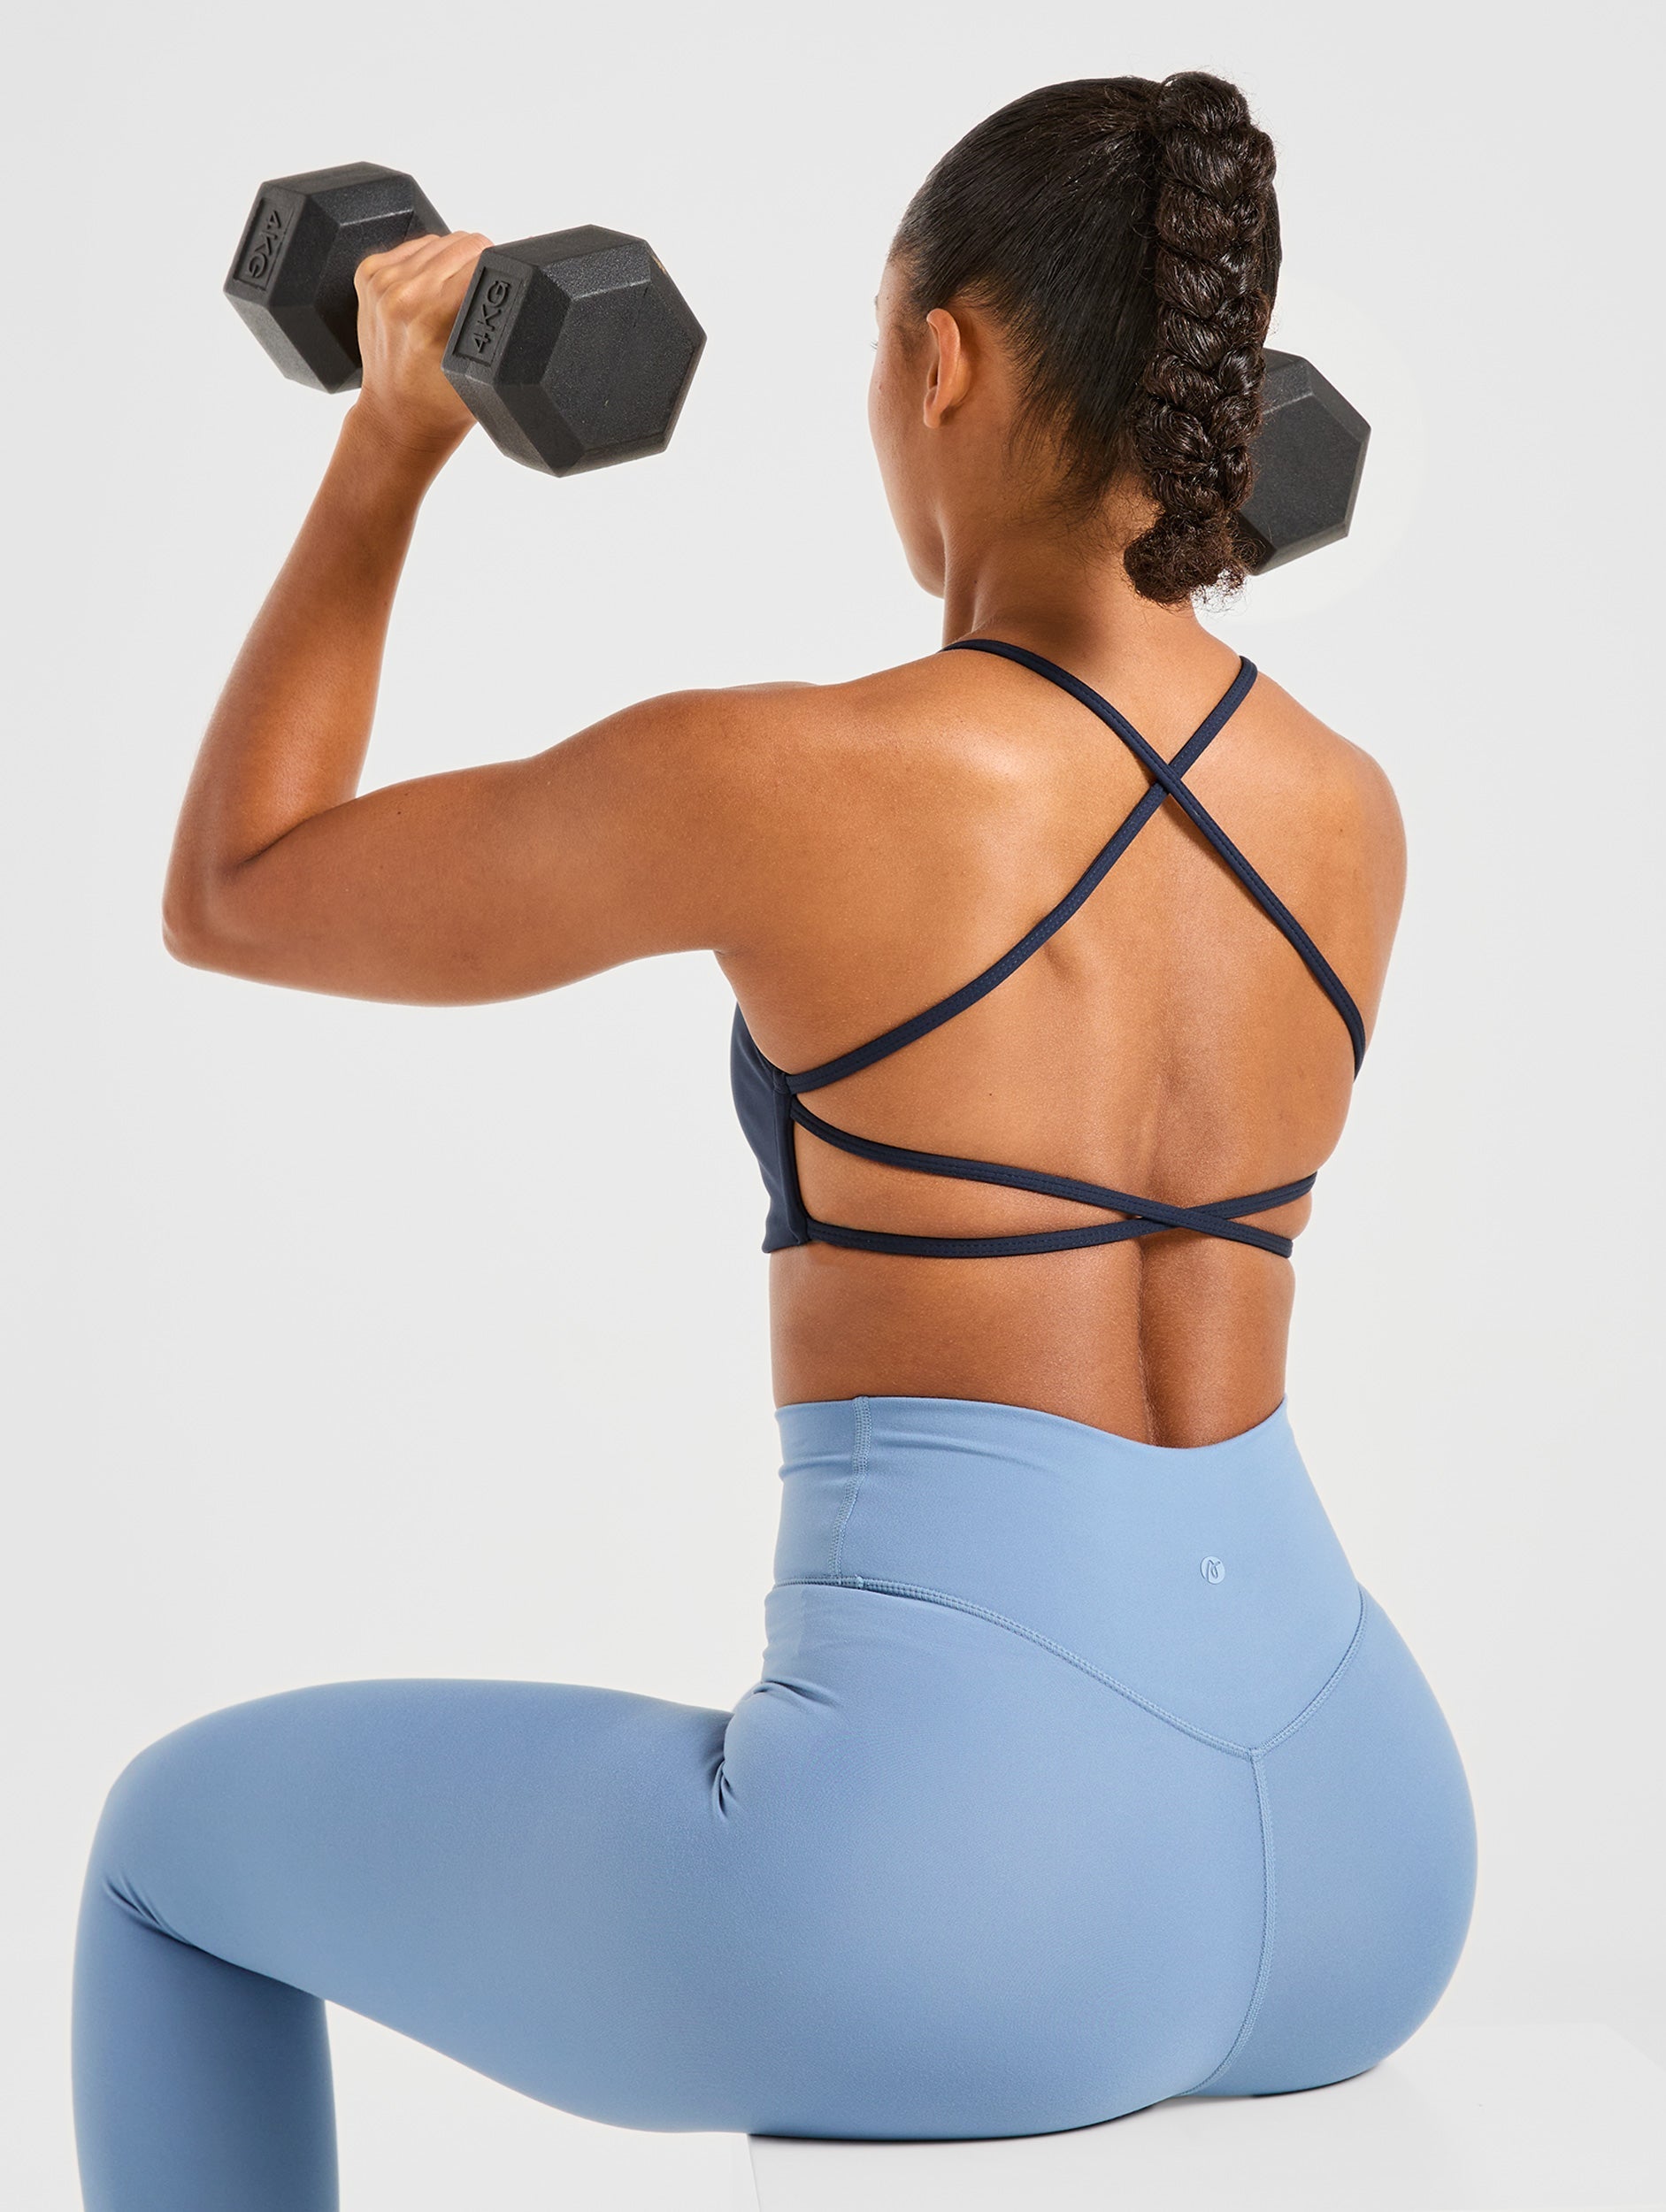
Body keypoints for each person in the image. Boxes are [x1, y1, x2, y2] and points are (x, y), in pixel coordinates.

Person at [72, 71, 1476, 2209]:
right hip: (1364, 1842)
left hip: (962, 1891)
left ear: (942, 357)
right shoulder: (1346, 805)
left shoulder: (792, 778)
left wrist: (392, 436)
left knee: (169, 1845)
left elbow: (238, 888)